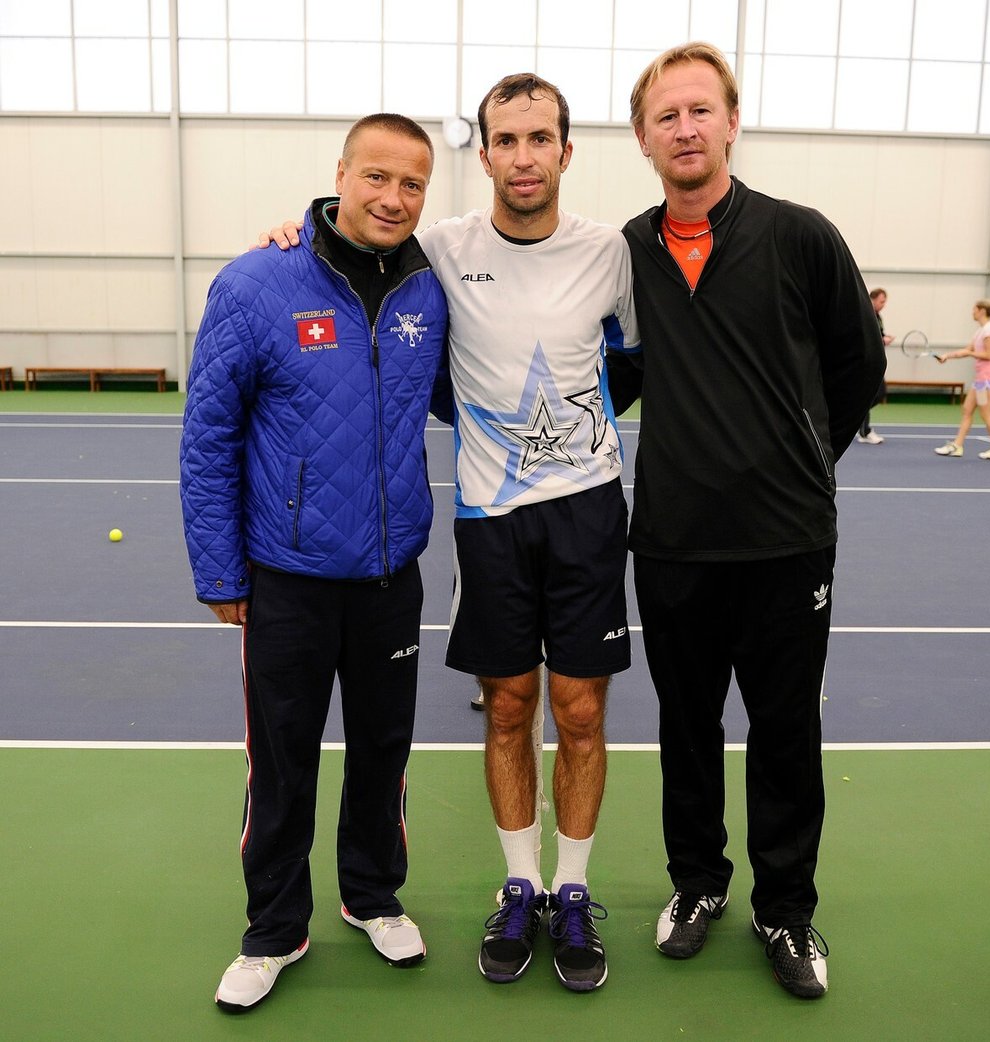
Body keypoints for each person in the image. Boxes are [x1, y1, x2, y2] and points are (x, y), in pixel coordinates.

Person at [262, 74, 640, 993]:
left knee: (582, 712)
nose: (522, 156)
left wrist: (569, 432)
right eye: (504, 140)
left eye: (539, 138)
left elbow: (631, 362)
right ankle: (520, 883)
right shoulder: (437, 247)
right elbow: (347, 251)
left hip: (589, 510)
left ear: (565, 150)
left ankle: (574, 893)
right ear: (484, 151)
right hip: (488, 520)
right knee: (509, 705)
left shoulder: (613, 254)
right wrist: (288, 234)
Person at [609, 42, 886, 1000]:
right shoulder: (628, 252)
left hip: (787, 542)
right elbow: (613, 373)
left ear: (731, 121)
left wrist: (805, 464)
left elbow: (858, 366)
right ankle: (697, 886)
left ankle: (786, 909)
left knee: (783, 733)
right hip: (675, 542)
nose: (684, 129)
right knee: (684, 726)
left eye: (699, 111)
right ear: (642, 138)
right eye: (664, 116)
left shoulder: (801, 235)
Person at [179, 113, 450, 1013]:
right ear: (340, 175)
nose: (392, 198)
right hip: (285, 577)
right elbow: (208, 434)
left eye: (412, 184)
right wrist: (220, 572)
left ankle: (372, 896)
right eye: (377, 177)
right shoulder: (258, 281)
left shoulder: (431, 287)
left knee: (384, 750)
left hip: (388, 576)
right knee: (284, 759)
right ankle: (272, 930)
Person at [934, 300, 990, 459]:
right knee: (967, 410)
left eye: (974, 309)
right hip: (981, 379)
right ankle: (957, 446)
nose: (972, 312)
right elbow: (968, 349)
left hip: (989, 379)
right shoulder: (980, 331)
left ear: (981, 311)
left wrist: (970, 354)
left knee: (986, 414)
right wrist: (947, 356)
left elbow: (989, 355)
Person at [858, 288, 893, 444]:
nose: (884, 304)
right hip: (864, 362)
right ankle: (864, 431)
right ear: (872, 299)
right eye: (881, 301)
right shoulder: (865, 314)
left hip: (876, 362)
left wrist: (885, 338)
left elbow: (879, 334)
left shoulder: (878, 317)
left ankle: (859, 419)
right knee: (869, 395)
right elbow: (864, 336)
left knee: (879, 394)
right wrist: (881, 340)